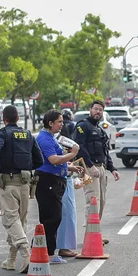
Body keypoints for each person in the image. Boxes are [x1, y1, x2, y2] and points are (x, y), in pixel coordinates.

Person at [0, 105, 45, 273]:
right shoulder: (27, 135)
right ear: (18, 118)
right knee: (20, 221)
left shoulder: (2, 134)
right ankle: (11, 260)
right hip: (26, 184)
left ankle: (27, 253)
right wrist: (25, 167)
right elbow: (39, 160)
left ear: (4, 119)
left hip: (9, 183)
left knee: (11, 220)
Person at [35, 109, 83, 263]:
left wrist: (70, 167)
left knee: (52, 218)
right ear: (50, 123)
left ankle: (41, 251)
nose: (62, 125)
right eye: (59, 122)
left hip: (56, 180)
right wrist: (73, 154)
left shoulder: (51, 137)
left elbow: (56, 161)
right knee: (52, 218)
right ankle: (47, 254)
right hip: (49, 182)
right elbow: (54, 160)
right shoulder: (45, 139)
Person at [73, 101, 120, 217]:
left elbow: (105, 152)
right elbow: (80, 148)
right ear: (90, 110)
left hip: (101, 168)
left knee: (102, 201)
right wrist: (91, 166)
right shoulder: (82, 126)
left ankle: (96, 233)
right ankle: (89, 233)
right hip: (90, 169)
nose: (98, 112)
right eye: (96, 109)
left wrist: (112, 169)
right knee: (93, 200)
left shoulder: (100, 130)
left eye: (100, 110)